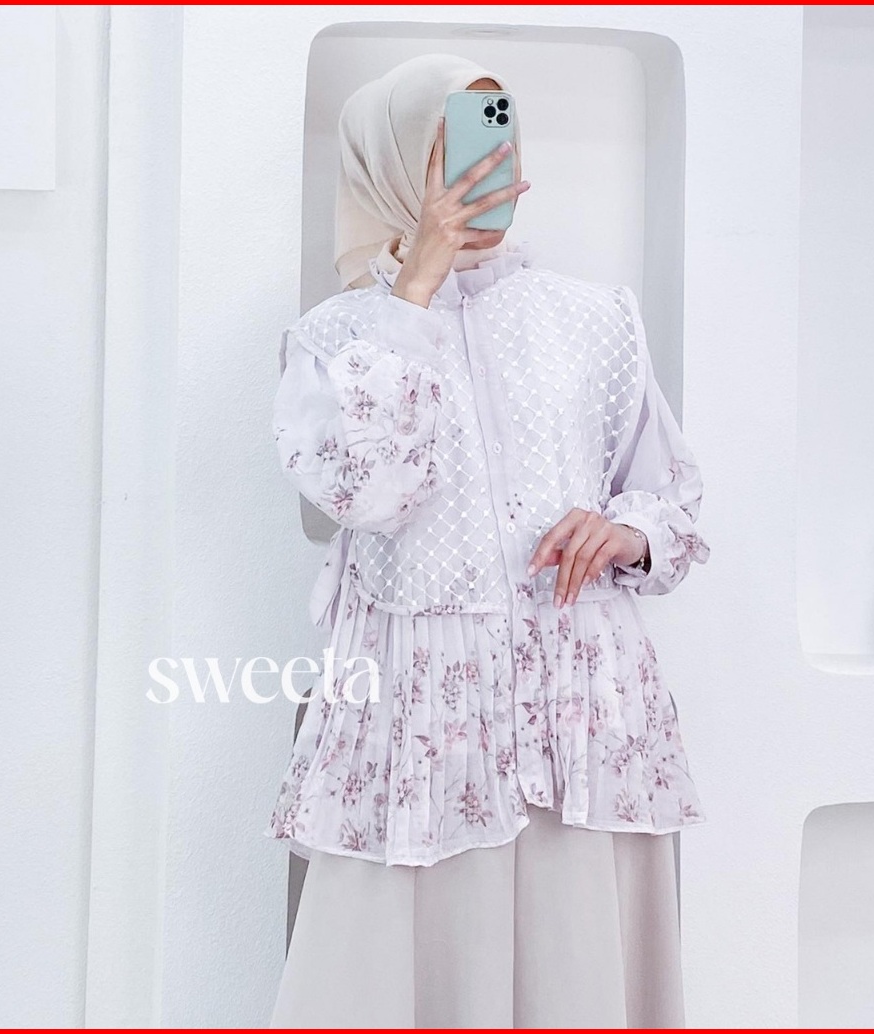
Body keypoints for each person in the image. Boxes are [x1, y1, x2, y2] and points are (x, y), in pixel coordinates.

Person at [265, 53, 711, 1029]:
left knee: (576, 973)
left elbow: (672, 497)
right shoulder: (337, 340)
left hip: (581, 709)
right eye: (455, 145)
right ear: (397, 165)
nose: (489, 165)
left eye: (499, 135)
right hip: (418, 723)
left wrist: (625, 530)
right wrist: (415, 290)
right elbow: (367, 492)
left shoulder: (595, 318)